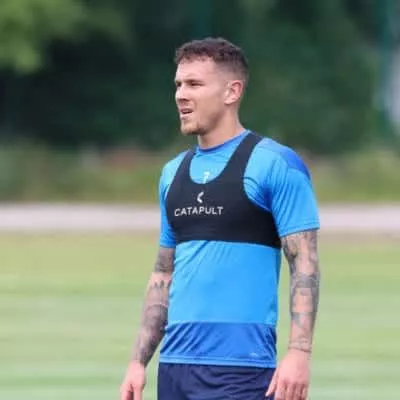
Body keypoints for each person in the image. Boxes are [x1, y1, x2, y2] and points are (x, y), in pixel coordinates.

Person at [120, 37, 321, 400]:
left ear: (232, 92)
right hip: (175, 367)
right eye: (178, 84)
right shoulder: (172, 173)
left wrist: (299, 352)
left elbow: (304, 263)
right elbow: (163, 273)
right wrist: (138, 362)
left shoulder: (275, 164)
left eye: (194, 84)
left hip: (243, 369)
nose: (181, 95)